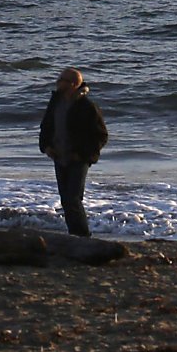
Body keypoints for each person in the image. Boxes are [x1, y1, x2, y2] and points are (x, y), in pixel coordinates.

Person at [38, 68, 108, 237]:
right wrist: (46, 146)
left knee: (73, 199)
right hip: (59, 156)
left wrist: (83, 154)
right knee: (66, 200)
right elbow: (46, 126)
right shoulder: (56, 102)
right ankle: (74, 234)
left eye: (61, 79)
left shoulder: (87, 106)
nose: (57, 82)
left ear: (73, 84)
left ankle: (83, 236)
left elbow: (100, 136)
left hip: (78, 159)